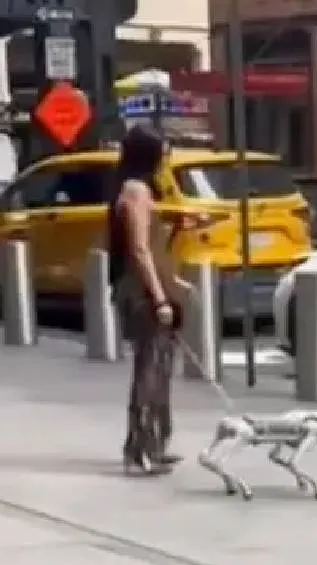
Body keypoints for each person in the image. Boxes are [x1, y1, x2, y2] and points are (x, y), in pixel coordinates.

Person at [107, 125, 187, 475]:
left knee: (160, 367)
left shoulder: (139, 190)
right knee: (150, 370)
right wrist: (159, 298)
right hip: (140, 291)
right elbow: (139, 249)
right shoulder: (136, 191)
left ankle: (154, 444)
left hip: (145, 286)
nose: (166, 161)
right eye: (163, 154)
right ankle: (139, 448)